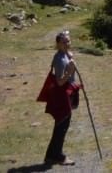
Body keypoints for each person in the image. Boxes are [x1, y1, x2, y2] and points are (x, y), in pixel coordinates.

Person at [43, 30, 79, 166]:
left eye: (68, 41)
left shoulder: (65, 55)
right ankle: (58, 156)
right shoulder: (59, 59)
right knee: (62, 126)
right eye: (64, 42)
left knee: (61, 125)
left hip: (66, 94)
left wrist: (69, 57)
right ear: (58, 44)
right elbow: (59, 82)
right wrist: (69, 71)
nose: (67, 44)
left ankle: (51, 155)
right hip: (61, 95)